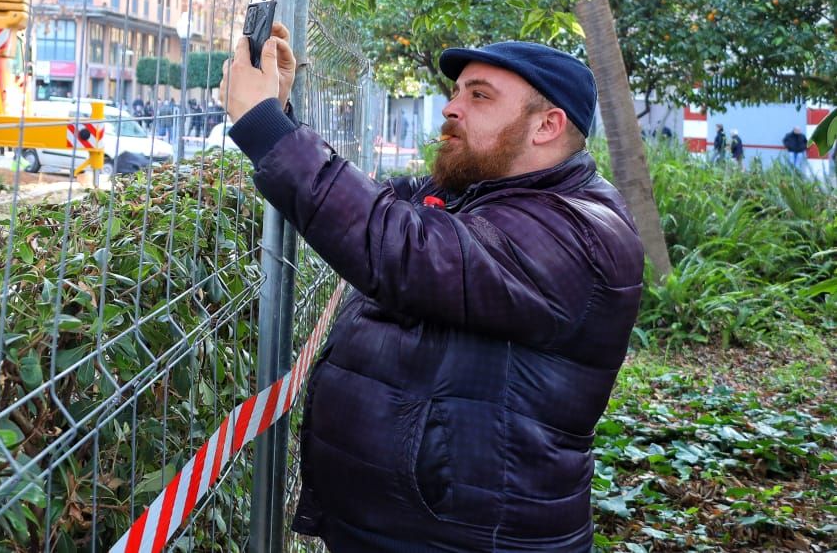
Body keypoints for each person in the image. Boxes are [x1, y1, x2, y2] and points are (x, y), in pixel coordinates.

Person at [219, 31, 644, 553]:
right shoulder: (477, 194)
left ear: (547, 126)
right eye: (457, 91)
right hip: (417, 529)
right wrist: (281, 112)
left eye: (479, 95)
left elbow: (400, 247)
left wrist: (264, 127)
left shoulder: (578, 233)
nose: (451, 107)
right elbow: (372, 207)